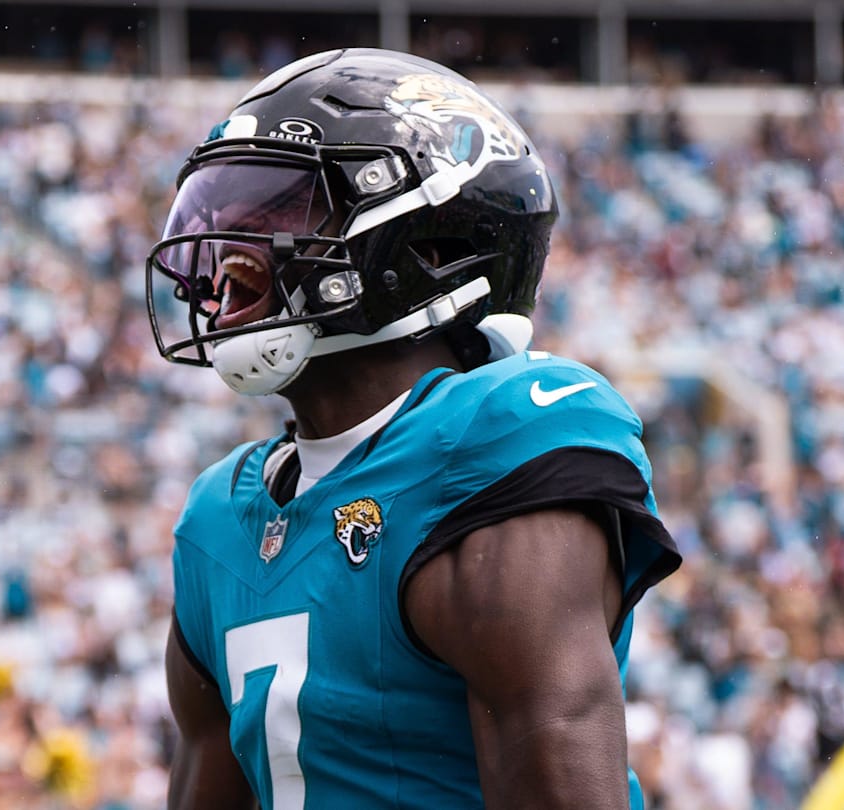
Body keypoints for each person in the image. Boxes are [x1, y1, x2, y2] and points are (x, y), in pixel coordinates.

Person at [147, 48, 681, 809]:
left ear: (429, 249)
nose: (229, 258)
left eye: (278, 212)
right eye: (226, 216)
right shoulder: (217, 521)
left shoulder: (490, 448)